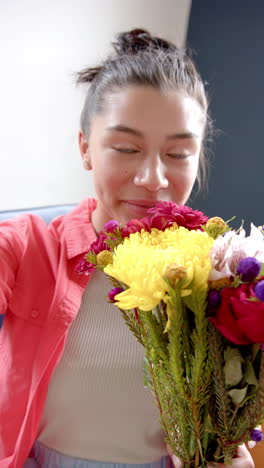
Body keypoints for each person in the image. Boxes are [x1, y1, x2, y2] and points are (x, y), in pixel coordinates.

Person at [0, 28, 255, 468]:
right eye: (125, 148)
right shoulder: (27, 246)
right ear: (86, 148)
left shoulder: (226, 274)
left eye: (178, 153)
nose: (153, 178)